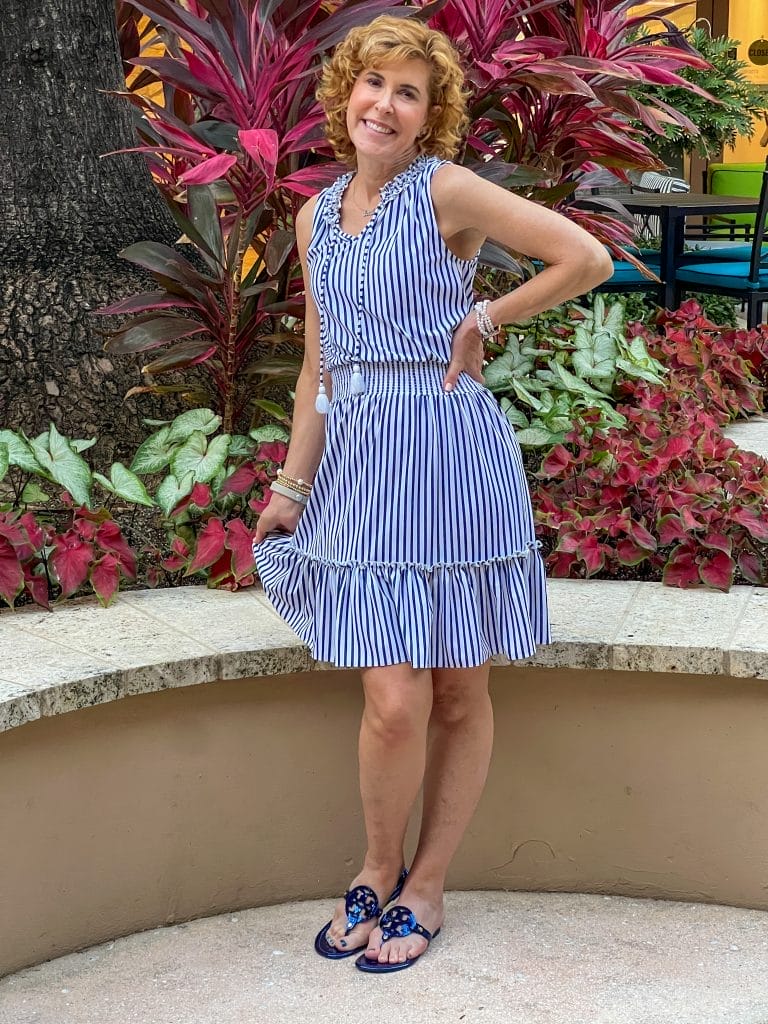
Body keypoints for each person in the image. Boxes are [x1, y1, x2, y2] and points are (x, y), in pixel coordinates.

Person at [253, 14, 613, 973]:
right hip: (360, 469)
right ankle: (376, 867)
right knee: (392, 699)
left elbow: (586, 258)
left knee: (458, 687)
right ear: (346, 97)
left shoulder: (444, 189)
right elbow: (319, 368)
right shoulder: (314, 215)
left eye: (407, 92)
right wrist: (293, 482)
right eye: (373, 84)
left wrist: (483, 316)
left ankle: (427, 884)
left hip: (449, 457)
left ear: (428, 115)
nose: (385, 104)